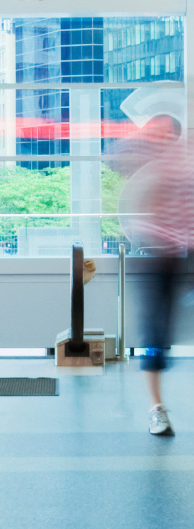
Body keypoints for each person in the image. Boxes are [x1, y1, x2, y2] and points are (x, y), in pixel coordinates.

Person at [111, 114, 194, 436]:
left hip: (185, 252)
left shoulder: (184, 160)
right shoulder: (147, 164)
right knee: (155, 331)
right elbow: (116, 159)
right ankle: (156, 408)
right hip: (159, 256)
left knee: (160, 329)